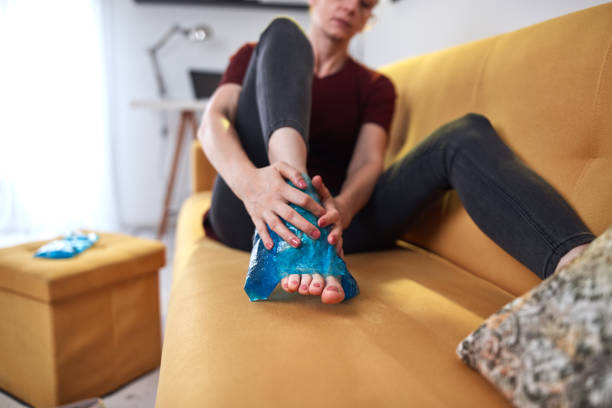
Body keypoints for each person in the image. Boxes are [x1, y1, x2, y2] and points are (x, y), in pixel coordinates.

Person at [198, 0, 595, 304]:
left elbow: (369, 162)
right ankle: (294, 213)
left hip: (335, 223)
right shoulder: (254, 55)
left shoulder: (374, 86)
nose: (352, 6)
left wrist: (343, 210)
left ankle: (587, 272)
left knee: (465, 133)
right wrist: (252, 185)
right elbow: (213, 120)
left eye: (366, 3)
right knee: (284, 32)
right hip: (251, 212)